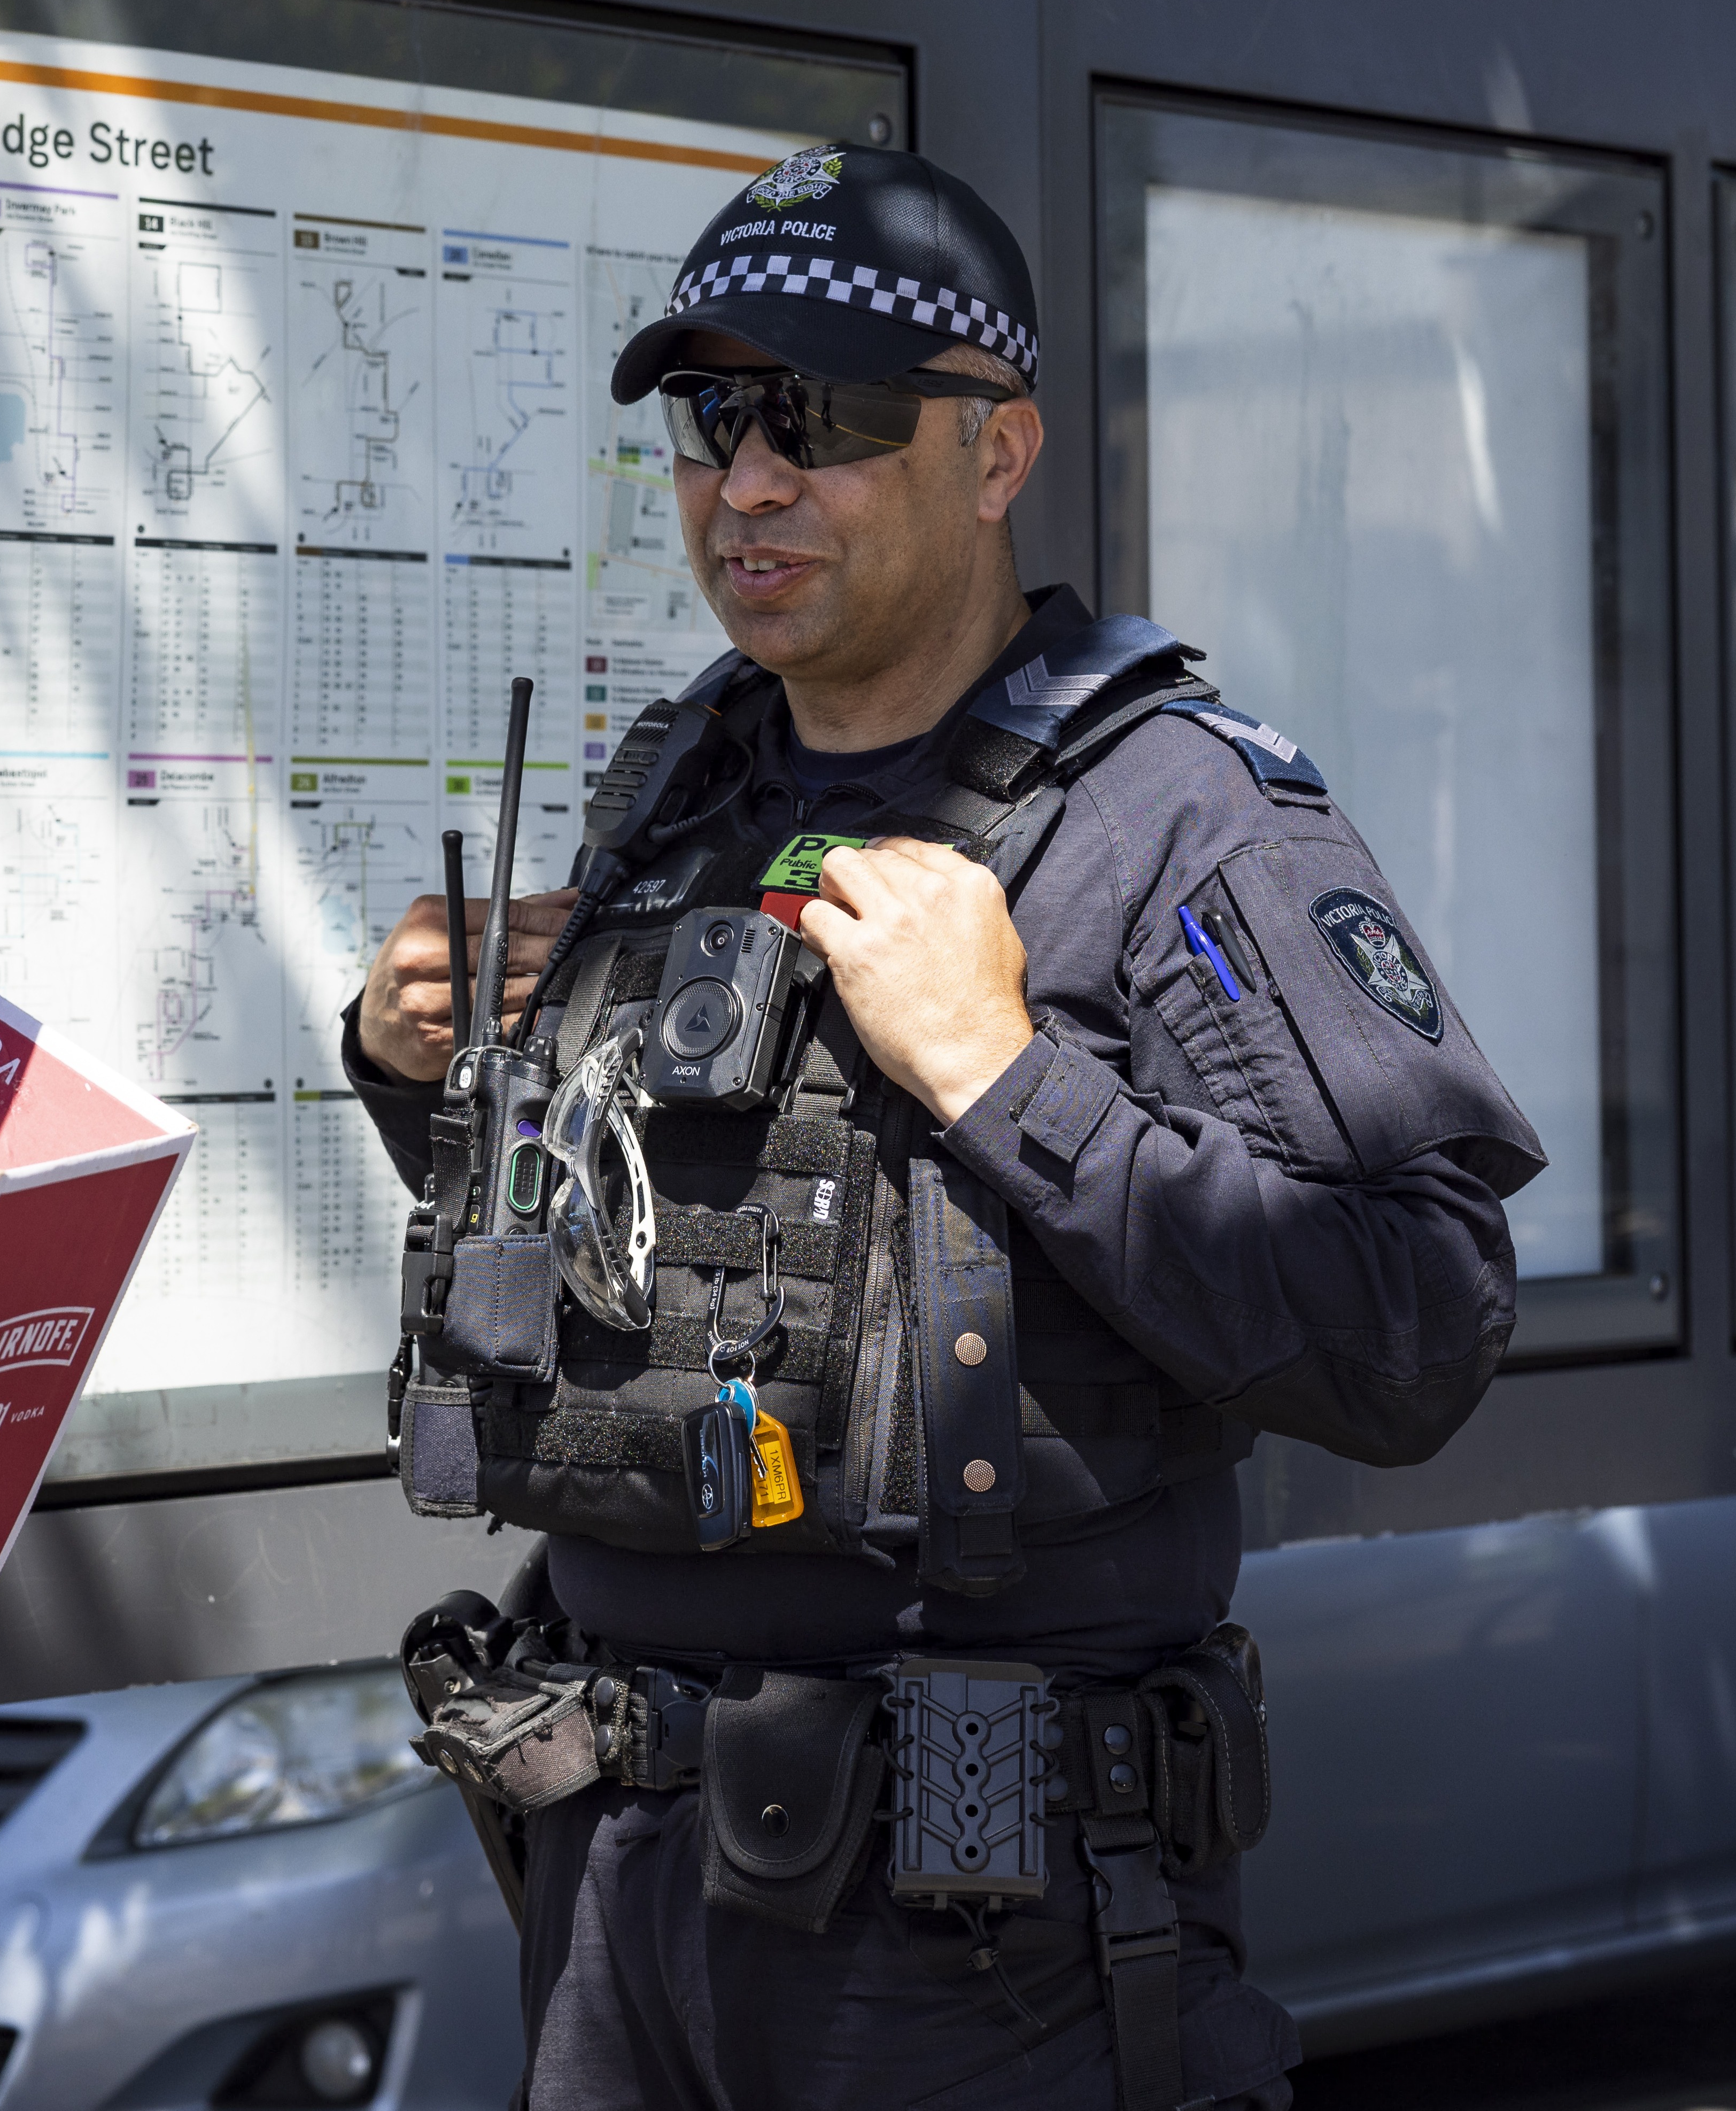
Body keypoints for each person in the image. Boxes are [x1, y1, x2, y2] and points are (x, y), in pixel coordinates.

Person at [350, 146, 1545, 2110]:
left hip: (967, 1934)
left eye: (823, 416)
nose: (747, 478)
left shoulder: (1170, 812)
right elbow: (663, 1264)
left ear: (1000, 457)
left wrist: (1009, 1076)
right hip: (614, 1882)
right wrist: (425, 1070)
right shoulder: (676, 792)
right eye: (711, 415)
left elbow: (1421, 1322)